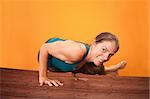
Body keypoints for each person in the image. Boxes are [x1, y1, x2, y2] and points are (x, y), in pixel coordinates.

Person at [38, 32, 127, 87]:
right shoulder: (77, 52)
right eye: (104, 49)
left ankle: (110, 69)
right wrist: (43, 77)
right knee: (79, 59)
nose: (106, 57)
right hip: (48, 56)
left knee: (93, 68)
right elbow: (44, 48)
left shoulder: (89, 59)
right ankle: (110, 69)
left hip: (69, 63)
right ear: (94, 44)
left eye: (110, 54)